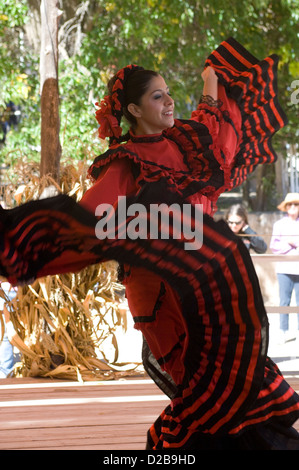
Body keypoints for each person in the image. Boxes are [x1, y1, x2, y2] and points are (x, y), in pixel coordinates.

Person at [0, 37, 299, 449]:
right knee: (211, 387)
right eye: (158, 97)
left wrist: (212, 78)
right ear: (135, 111)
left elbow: (215, 126)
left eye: (169, 94)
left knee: (238, 383)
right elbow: (90, 222)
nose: (169, 102)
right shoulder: (126, 162)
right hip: (163, 290)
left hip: (206, 283)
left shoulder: (188, 146)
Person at [270, 193, 299, 343]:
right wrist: (289, 243)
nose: (293, 207)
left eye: (296, 204)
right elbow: (274, 246)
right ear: (286, 207)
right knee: (284, 301)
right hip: (284, 269)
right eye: (290, 204)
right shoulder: (279, 225)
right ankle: (283, 330)